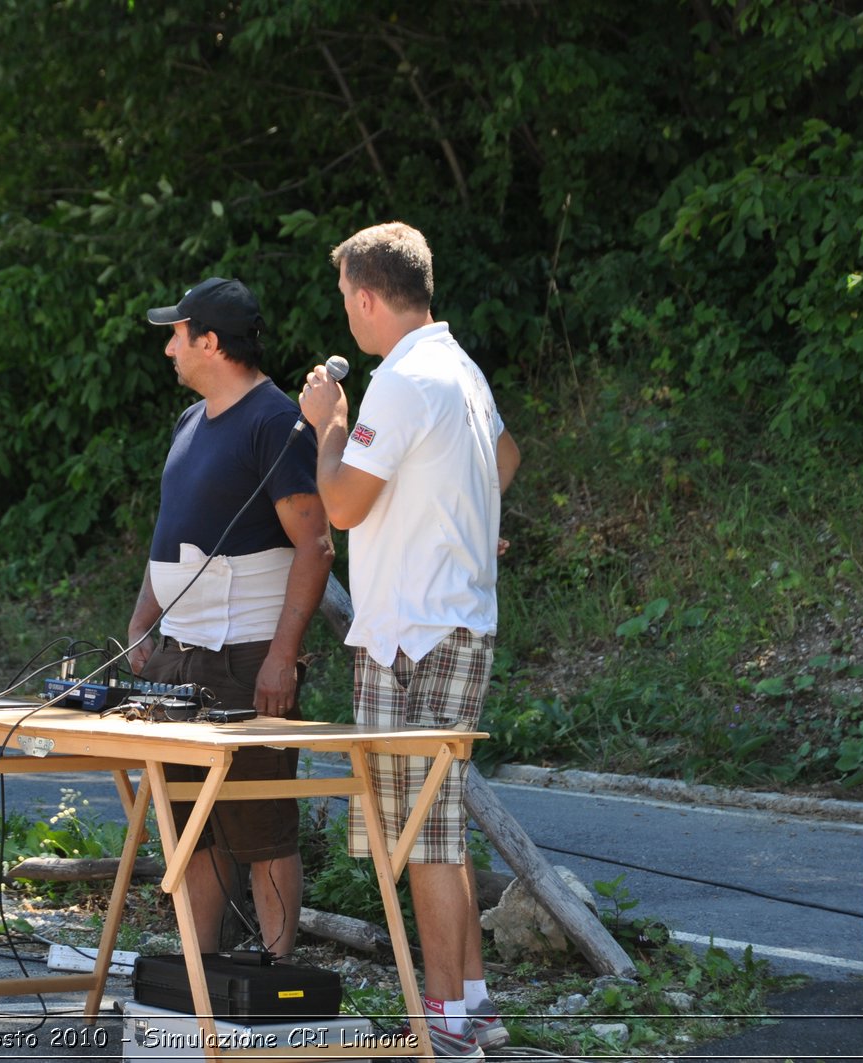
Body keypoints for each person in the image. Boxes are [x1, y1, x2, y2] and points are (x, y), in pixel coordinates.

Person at [300, 223, 521, 1058]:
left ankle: (445, 1014)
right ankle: (470, 1001)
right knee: (442, 825)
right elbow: (503, 457)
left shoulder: (395, 381)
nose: (346, 315)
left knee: (421, 832)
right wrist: (462, 519)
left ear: (364, 296)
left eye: (344, 299)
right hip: (453, 617)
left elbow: (345, 504)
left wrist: (329, 423)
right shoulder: (458, 366)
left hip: (411, 633)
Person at [128, 277, 334, 960]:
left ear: (210, 341)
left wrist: (284, 654)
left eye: (177, 334)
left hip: (247, 658)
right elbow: (171, 533)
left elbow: (315, 541)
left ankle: (277, 973)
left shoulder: (277, 421)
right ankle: (198, 973)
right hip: (178, 658)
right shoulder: (189, 423)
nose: (168, 348)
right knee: (192, 831)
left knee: (262, 828)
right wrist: (140, 626)